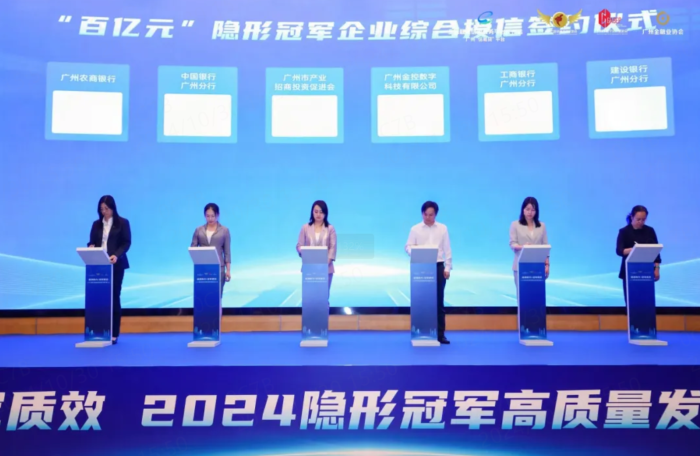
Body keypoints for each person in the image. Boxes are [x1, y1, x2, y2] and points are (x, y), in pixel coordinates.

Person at [405, 201, 452, 344]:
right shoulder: (415, 229)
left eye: (431, 215)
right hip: (420, 266)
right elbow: (407, 246)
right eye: (425, 214)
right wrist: (415, 252)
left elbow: (447, 249)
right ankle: (421, 332)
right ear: (422, 214)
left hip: (437, 266)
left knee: (439, 302)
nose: (427, 217)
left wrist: (447, 267)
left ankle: (440, 334)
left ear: (435, 215)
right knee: (421, 301)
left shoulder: (443, 228)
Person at [88, 195, 131, 344]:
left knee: (114, 297)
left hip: (116, 265)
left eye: (106, 209)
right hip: (99, 265)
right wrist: (91, 247)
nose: (104, 212)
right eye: (101, 209)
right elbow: (92, 242)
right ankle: (99, 330)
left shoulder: (122, 223)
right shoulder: (96, 224)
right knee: (99, 298)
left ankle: (114, 333)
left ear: (113, 208)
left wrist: (116, 255)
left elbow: (126, 243)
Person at [616, 205, 661, 304]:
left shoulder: (650, 231)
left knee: (646, 301)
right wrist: (634, 250)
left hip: (646, 271)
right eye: (638, 219)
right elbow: (619, 251)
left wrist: (657, 269)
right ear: (632, 217)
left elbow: (656, 252)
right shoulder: (624, 232)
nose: (641, 222)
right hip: (629, 271)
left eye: (643, 219)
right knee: (631, 302)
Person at [509, 197, 550, 293]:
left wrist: (547, 265)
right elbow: (512, 244)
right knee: (523, 295)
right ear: (523, 210)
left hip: (537, 267)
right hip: (520, 267)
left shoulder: (542, 226)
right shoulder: (515, 225)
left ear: (536, 211)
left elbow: (545, 247)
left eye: (533, 210)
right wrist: (524, 247)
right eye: (527, 209)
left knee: (536, 295)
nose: (530, 212)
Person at [191, 203, 232, 297]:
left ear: (218, 215)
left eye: (213, 216)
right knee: (203, 297)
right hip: (202, 268)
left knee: (216, 297)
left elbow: (227, 252)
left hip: (218, 268)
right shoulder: (199, 230)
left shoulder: (224, 231)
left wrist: (228, 270)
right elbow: (193, 248)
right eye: (207, 216)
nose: (210, 219)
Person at [296, 200, 337, 292]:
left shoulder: (330, 228)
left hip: (326, 268)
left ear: (325, 213)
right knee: (310, 295)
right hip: (309, 268)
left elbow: (333, 248)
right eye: (316, 211)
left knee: (323, 296)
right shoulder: (305, 228)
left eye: (321, 212)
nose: (318, 214)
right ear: (312, 212)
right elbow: (299, 245)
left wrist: (324, 264)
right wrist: (303, 251)